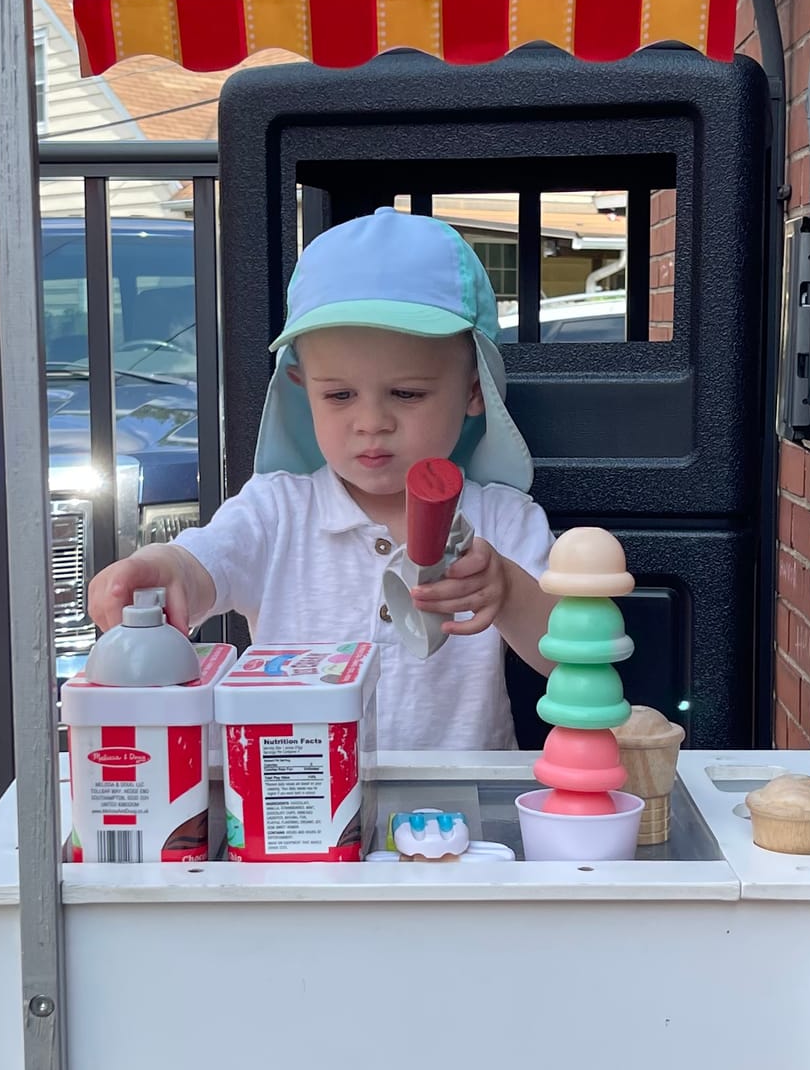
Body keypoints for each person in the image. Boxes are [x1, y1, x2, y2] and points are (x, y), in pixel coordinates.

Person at [87, 208, 552, 749]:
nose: (371, 422)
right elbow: (202, 565)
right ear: (301, 388)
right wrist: (163, 567)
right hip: (294, 792)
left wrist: (506, 590)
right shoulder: (275, 511)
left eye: (407, 393)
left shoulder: (502, 518)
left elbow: (570, 655)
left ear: (474, 392)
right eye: (339, 395)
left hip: (456, 796)